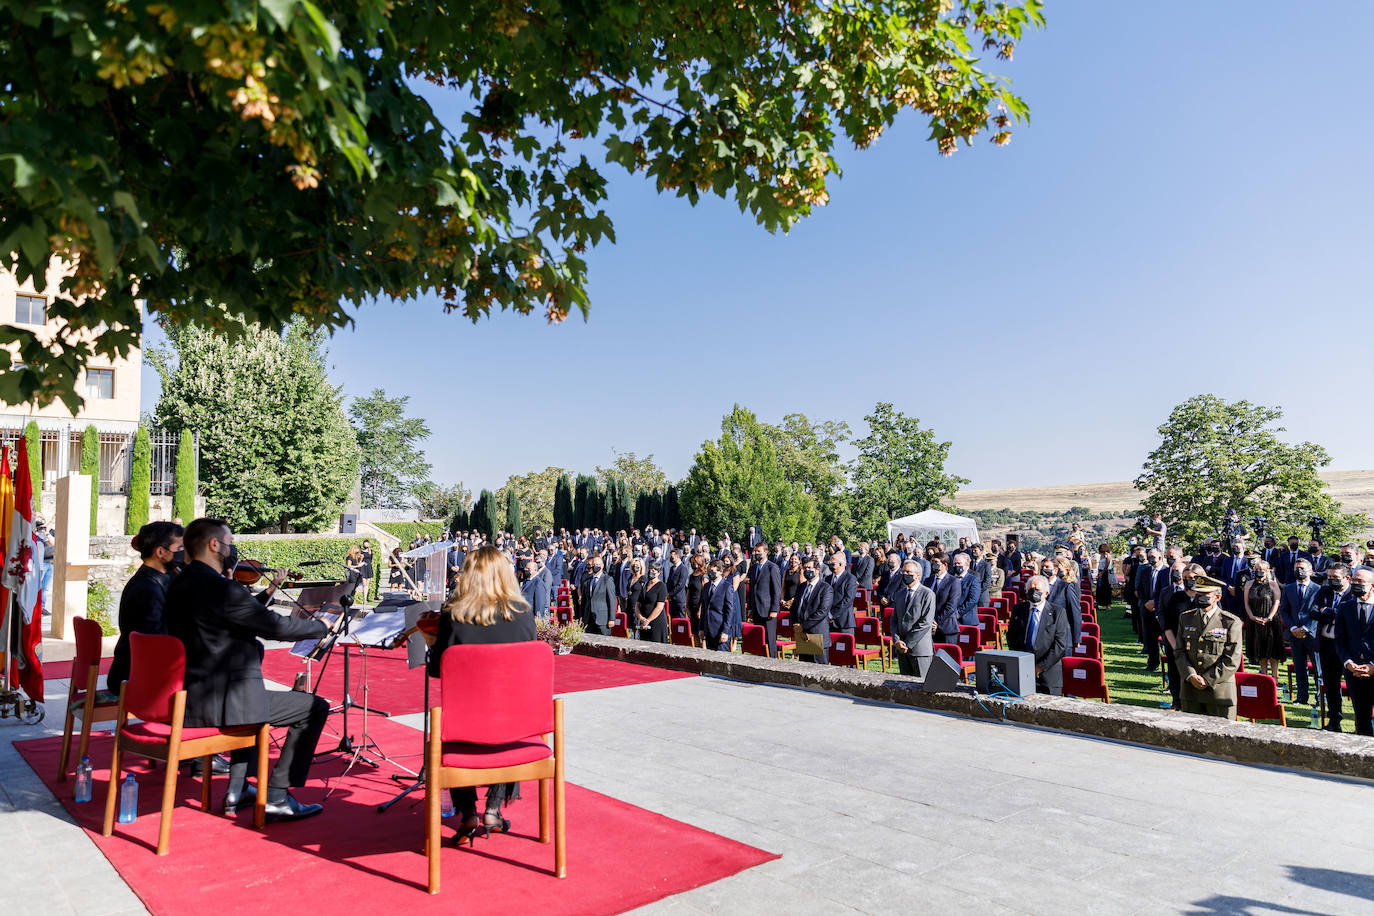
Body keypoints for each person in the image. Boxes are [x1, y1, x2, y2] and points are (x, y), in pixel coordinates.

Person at [166, 518, 333, 820]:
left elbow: (233, 621)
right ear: (214, 545)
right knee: (314, 707)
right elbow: (275, 627)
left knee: (257, 700)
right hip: (224, 701)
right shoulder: (221, 589)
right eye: (229, 543)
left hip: (190, 694)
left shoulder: (180, 582)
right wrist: (319, 627)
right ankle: (278, 795)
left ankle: (238, 790)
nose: (233, 550)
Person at [426, 544, 537, 843]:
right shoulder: (524, 614)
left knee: (453, 723)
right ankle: (492, 809)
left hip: (466, 725)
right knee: (509, 717)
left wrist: (432, 645)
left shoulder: (453, 615)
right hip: (514, 724)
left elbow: (437, 672)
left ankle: (468, 813)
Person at [107, 522, 184, 693]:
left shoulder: (158, 578)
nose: (183, 554)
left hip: (137, 670)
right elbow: (157, 643)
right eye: (179, 548)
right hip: (135, 676)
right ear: (160, 552)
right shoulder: (146, 589)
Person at [1173, 573, 1243, 719]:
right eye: (1198, 594)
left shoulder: (1230, 622)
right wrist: (1191, 675)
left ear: (1217, 597)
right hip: (1190, 691)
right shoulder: (1185, 618)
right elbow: (1179, 651)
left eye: (1205, 595)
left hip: (1219, 691)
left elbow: (1232, 659)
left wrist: (1207, 679)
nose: (1200, 598)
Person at [1007, 575, 1071, 695]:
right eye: (1031, 590)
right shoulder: (1019, 609)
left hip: (1048, 674)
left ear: (1046, 593)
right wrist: (1021, 661)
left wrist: (1040, 667)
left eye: (1037, 590)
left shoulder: (1058, 612)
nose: (1034, 593)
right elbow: (1011, 637)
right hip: (1023, 670)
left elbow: (1060, 645)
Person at [1335, 567, 1374, 736]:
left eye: (1360, 581)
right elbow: (1339, 640)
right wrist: (1349, 663)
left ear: (1372, 586)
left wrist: (1373, 666)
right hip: (1354, 672)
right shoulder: (1345, 607)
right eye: (1354, 581)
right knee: (1361, 715)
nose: (1355, 584)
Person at [1280, 558, 1322, 708]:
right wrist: (1292, 628)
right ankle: (1302, 697)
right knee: (1299, 667)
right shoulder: (1288, 588)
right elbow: (1284, 610)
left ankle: (1320, 699)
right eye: (1297, 568)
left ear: (1311, 571)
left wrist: (1305, 628)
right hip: (1294, 634)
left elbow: (1319, 612)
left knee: (1318, 668)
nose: (1299, 570)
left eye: (1303, 568)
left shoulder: (1318, 589)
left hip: (1312, 634)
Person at [1314, 563, 1351, 730]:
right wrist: (1333, 614)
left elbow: (1349, 618)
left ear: (1346, 578)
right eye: (1329, 577)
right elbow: (1313, 612)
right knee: (1330, 685)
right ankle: (1334, 720)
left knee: (1353, 685)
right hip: (1326, 644)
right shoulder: (1324, 591)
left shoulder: (1353, 595)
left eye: (1335, 578)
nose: (1331, 581)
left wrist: (1328, 611)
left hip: (1348, 647)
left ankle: (1362, 723)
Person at [891, 560, 935, 677]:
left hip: (920, 650)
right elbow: (894, 620)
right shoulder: (900, 594)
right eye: (903, 572)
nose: (905, 575)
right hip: (901, 650)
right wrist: (897, 641)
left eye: (908, 572)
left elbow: (925, 622)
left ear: (918, 575)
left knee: (922, 687)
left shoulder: (927, 594)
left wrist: (907, 643)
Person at [1242, 560, 1284, 681]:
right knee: (1260, 650)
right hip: (1254, 620)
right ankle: (1264, 677)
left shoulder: (1273, 584)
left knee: (1273, 650)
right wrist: (1251, 616)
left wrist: (1270, 616)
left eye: (1262, 570)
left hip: (1271, 621)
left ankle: (1275, 677)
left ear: (1267, 571)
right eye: (1257, 569)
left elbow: (1277, 601)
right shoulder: (1249, 584)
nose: (1259, 572)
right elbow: (1246, 603)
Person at [792, 556, 833, 664]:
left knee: (819, 672)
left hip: (817, 634)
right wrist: (796, 624)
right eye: (805, 568)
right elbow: (795, 607)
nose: (807, 570)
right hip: (802, 635)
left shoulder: (825, 588)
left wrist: (803, 626)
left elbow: (822, 611)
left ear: (817, 570)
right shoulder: (801, 587)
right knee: (804, 668)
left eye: (809, 568)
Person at [748, 544, 782, 656]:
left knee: (770, 640)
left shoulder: (772, 567)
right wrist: (750, 608)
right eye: (755, 551)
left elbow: (777, 590)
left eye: (759, 551)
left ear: (766, 552)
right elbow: (752, 589)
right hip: (756, 610)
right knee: (759, 639)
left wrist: (774, 609)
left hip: (768, 611)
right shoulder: (753, 568)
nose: (756, 553)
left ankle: (772, 664)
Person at [701, 558, 740, 651]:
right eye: (709, 571)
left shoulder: (727, 587)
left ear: (720, 571)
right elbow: (704, 608)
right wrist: (701, 628)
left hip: (721, 630)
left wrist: (725, 631)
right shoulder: (706, 586)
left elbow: (730, 611)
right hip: (708, 630)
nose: (710, 573)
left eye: (713, 571)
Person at [925, 554, 960, 645]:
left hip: (946, 627)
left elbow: (951, 606)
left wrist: (936, 621)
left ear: (945, 565)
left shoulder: (953, 581)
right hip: (929, 627)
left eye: (936, 562)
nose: (933, 564)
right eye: (932, 562)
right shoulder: (928, 580)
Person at [579, 554, 616, 636]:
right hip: (588, 617)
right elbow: (584, 600)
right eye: (594, 564)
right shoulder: (587, 580)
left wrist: (612, 619)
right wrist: (581, 616)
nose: (596, 566)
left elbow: (612, 601)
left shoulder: (607, 580)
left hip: (602, 619)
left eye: (598, 564)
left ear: (602, 565)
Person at [826, 551, 857, 637]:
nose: (830, 564)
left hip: (844, 622)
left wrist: (832, 614)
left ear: (840, 564)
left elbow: (848, 599)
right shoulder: (827, 579)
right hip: (828, 623)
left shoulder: (850, 578)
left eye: (833, 563)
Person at [951, 554, 981, 627]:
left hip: (967, 620)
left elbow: (973, 599)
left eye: (959, 563)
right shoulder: (949, 579)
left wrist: (958, 613)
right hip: (950, 621)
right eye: (955, 563)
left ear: (967, 564)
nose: (956, 565)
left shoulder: (973, 580)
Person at [1094, 544, 1115, 612]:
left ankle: (1108, 605)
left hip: (1106, 573)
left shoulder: (1107, 555)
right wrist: (1098, 573)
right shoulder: (1101, 556)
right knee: (1099, 588)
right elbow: (1099, 565)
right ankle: (1099, 603)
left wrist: (1102, 572)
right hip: (1101, 572)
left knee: (1106, 589)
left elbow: (1107, 565)